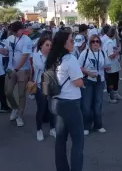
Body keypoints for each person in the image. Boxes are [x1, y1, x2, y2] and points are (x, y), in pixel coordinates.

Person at [45, 30, 84, 171]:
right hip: (71, 103)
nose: (73, 43)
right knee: (78, 141)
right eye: (71, 41)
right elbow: (78, 82)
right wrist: (82, 81)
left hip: (57, 102)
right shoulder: (70, 59)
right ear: (64, 43)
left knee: (60, 140)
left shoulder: (52, 58)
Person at [5, 21, 33, 127]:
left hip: (22, 70)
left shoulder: (27, 40)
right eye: (17, 31)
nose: (20, 32)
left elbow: (25, 56)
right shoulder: (10, 39)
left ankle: (20, 115)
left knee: (21, 94)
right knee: (8, 92)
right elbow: (7, 51)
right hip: (10, 69)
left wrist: (16, 69)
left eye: (21, 30)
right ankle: (14, 108)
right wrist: (4, 51)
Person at [79, 34, 108, 136]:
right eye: (93, 41)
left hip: (100, 81)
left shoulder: (102, 53)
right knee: (86, 104)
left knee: (98, 103)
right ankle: (86, 126)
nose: (95, 43)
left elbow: (106, 65)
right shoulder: (85, 53)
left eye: (97, 41)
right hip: (88, 80)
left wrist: (106, 68)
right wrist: (88, 73)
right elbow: (79, 67)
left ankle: (98, 125)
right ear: (90, 43)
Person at [33, 37, 55, 141]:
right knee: (41, 108)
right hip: (40, 85)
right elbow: (42, 66)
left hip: (51, 84)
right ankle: (39, 130)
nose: (49, 47)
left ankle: (52, 128)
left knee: (52, 108)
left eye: (51, 45)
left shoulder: (52, 55)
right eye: (47, 45)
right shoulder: (37, 55)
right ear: (41, 45)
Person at [104, 28, 122, 103]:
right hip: (111, 65)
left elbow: (117, 46)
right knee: (111, 81)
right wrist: (118, 51)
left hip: (115, 65)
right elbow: (110, 55)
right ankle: (111, 97)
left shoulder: (112, 41)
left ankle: (115, 93)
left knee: (116, 79)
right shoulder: (109, 43)